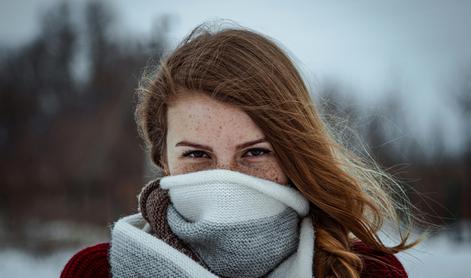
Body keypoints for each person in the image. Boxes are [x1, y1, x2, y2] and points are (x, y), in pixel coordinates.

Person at [61, 21, 423, 278]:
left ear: (295, 154)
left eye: (255, 153)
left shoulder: (363, 271)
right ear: (163, 160)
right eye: (197, 155)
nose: (226, 181)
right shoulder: (96, 272)